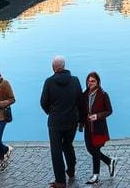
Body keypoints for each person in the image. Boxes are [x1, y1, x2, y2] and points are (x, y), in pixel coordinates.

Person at [41, 55, 82, 188]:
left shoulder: (49, 82)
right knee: (68, 144)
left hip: (55, 122)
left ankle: (60, 181)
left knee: (56, 150)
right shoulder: (75, 80)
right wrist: (80, 119)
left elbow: (43, 102)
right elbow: (80, 101)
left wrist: (51, 112)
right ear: (64, 67)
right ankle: (71, 169)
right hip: (72, 121)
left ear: (53, 68)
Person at [80, 71, 116, 184]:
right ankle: (110, 161)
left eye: (93, 81)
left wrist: (97, 116)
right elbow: (81, 109)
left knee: (95, 150)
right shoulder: (84, 94)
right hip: (87, 127)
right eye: (89, 81)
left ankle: (95, 176)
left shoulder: (103, 95)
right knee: (90, 149)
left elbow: (109, 111)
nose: (90, 83)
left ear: (98, 82)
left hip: (98, 128)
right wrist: (80, 123)